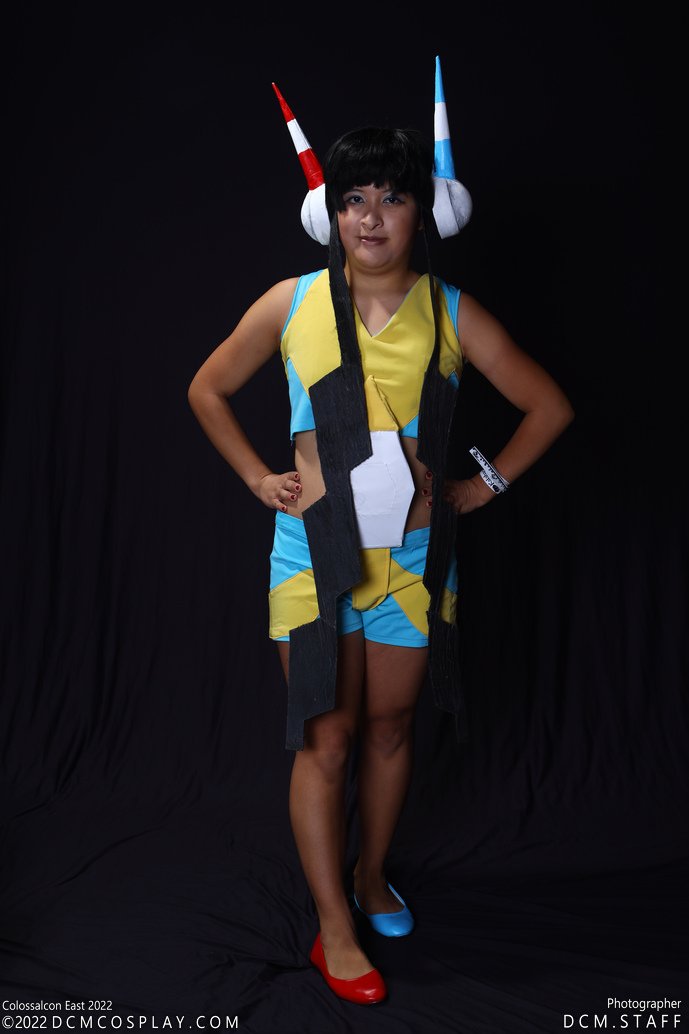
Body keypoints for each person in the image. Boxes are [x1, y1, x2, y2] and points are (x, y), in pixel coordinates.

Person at [187, 64, 574, 1006]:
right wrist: (257, 478)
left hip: (411, 558)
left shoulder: (450, 312)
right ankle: (333, 928)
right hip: (310, 558)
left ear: (423, 213)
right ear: (330, 213)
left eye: (392, 198)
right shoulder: (289, 302)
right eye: (353, 198)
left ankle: (369, 878)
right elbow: (207, 388)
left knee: (393, 729)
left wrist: (476, 489)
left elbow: (548, 407)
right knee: (324, 740)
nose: (370, 217)